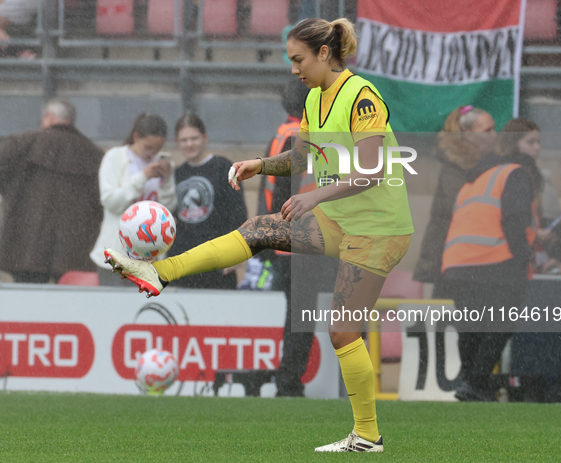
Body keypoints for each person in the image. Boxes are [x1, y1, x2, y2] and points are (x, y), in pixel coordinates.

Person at [104, 17, 414, 453]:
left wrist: (314, 197)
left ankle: (366, 436)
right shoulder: (315, 100)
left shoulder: (363, 96)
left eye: (298, 59)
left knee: (342, 332)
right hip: (343, 219)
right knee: (258, 228)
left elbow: (372, 170)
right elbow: (301, 156)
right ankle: (161, 272)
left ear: (324, 53)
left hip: (378, 228)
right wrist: (260, 164)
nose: (294, 70)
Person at [440, 130, 537, 402]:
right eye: (532, 142)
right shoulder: (516, 173)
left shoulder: (474, 180)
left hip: (458, 262)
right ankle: (476, 383)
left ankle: (470, 383)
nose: (539, 149)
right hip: (496, 260)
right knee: (498, 325)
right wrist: (522, 256)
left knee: (472, 326)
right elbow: (515, 217)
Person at [256, 79, 338, 397]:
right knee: (300, 317)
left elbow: (271, 190)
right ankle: (289, 381)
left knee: (296, 314)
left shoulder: (279, 136)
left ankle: (288, 379)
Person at [0, 97, 103, 283]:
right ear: (72, 120)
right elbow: (102, 203)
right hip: (73, 249)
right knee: (67, 304)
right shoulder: (94, 154)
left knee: (27, 303)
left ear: (48, 117)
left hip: (27, 244)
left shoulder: (21, 144)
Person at [413, 105, 495, 297]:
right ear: (467, 134)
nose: (494, 135)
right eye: (487, 131)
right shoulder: (456, 168)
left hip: (469, 258)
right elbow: (460, 209)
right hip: (454, 259)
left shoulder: (487, 164)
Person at [90, 113, 176, 285]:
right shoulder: (115, 157)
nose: (153, 153)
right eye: (148, 147)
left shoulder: (163, 165)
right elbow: (111, 202)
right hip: (117, 257)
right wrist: (142, 177)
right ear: (136, 137)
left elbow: (168, 211)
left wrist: (166, 182)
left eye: (158, 149)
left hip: (150, 259)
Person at [168, 113, 247, 289]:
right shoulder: (177, 174)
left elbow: (238, 213)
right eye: (184, 140)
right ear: (177, 142)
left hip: (217, 263)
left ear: (205, 138)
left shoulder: (224, 167)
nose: (189, 144)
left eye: (194, 138)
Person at [499, 118, 561, 275]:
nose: (537, 147)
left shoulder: (533, 175)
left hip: (532, 257)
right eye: (530, 142)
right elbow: (512, 222)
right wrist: (535, 235)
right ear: (513, 143)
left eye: (538, 142)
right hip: (508, 257)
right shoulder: (507, 174)